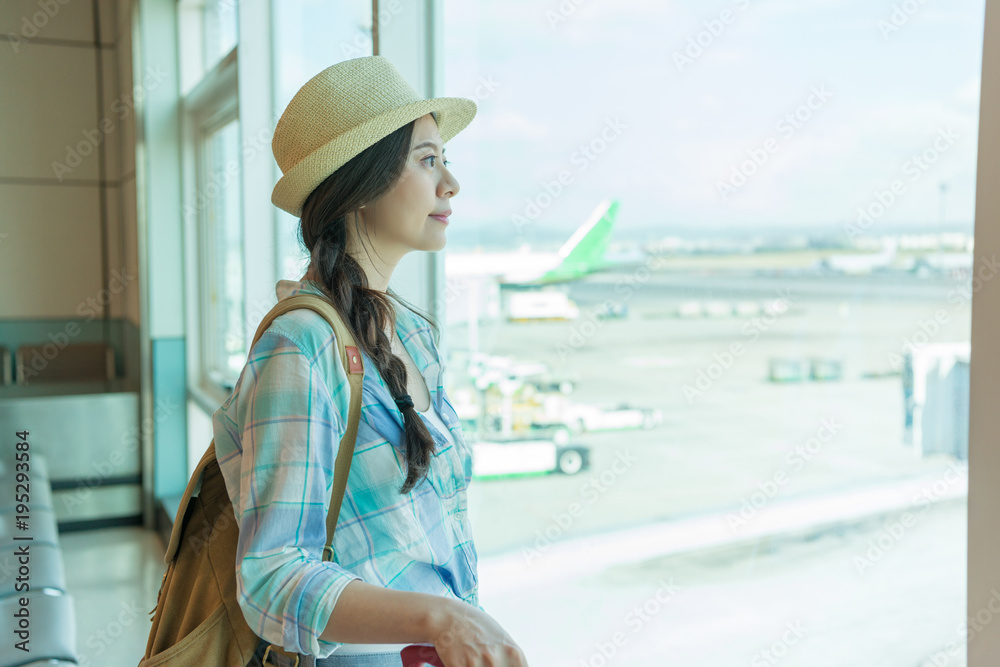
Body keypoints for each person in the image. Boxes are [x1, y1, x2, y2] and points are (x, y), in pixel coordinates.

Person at [211, 56, 529, 667]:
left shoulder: (408, 330)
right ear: (363, 184)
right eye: (428, 160)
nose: (451, 185)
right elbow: (273, 579)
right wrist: (443, 618)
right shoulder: (301, 347)